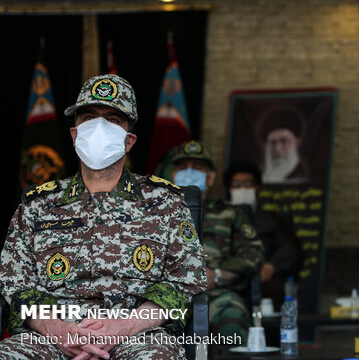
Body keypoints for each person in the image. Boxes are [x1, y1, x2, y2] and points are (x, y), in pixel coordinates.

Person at [0, 74, 208, 360]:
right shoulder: (37, 205)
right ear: (74, 135)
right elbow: (15, 282)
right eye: (89, 117)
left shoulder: (165, 202)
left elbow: (187, 279)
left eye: (112, 120)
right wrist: (57, 329)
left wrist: (124, 326)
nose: (99, 127)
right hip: (52, 337)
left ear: (129, 141)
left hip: (137, 335)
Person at [165, 141, 264, 343]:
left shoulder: (231, 213)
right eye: (184, 168)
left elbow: (254, 255)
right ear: (174, 175)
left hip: (216, 293)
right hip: (165, 295)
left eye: (198, 168)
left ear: (210, 177)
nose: (190, 172)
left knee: (232, 318)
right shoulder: (156, 213)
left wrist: (218, 275)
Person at [224, 160, 301, 308]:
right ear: (229, 188)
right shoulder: (218, 218)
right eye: (237, 185)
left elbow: (289, 247)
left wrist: (272, 265)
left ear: (257, 187)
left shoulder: (273, 219)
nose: (243, 189)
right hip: (227, 280)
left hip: (264, 281)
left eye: (248, 184)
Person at [257, 106, 309, 183]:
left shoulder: (303, 177)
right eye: (272, 143)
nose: (277, 148)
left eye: (284, 141)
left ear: (297, 142)